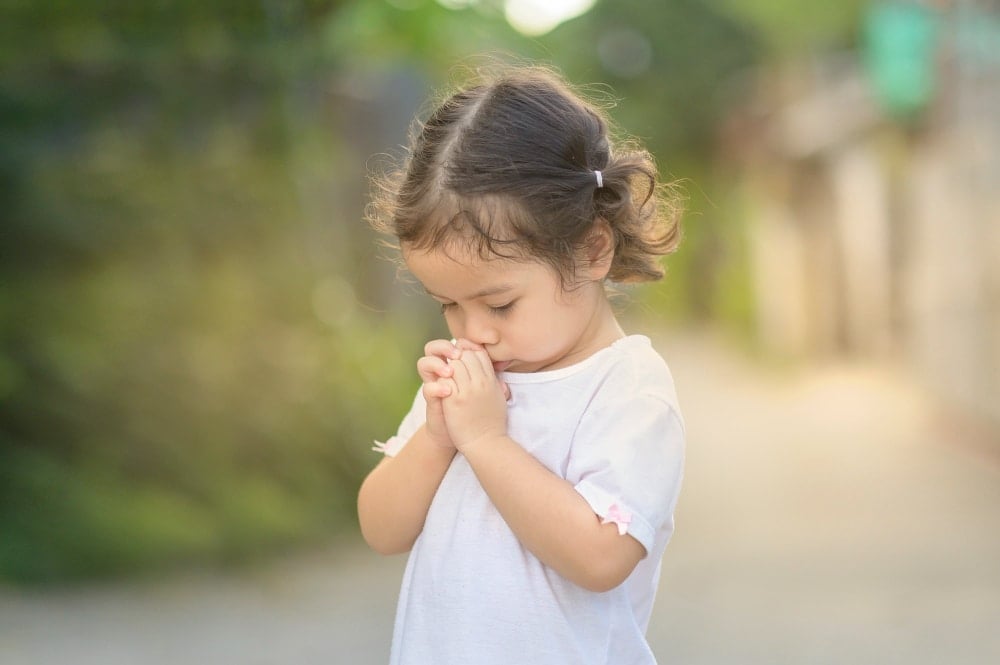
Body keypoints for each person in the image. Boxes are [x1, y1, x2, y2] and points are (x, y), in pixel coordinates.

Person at [356, 64, 685, 665]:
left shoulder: (627, 390)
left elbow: (601, 557)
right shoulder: (468, 380)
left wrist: (485, 442)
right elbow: (382, 530)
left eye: (500, 303)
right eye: (448, 305)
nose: (474, 331)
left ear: (591, 250)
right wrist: (436, 439)